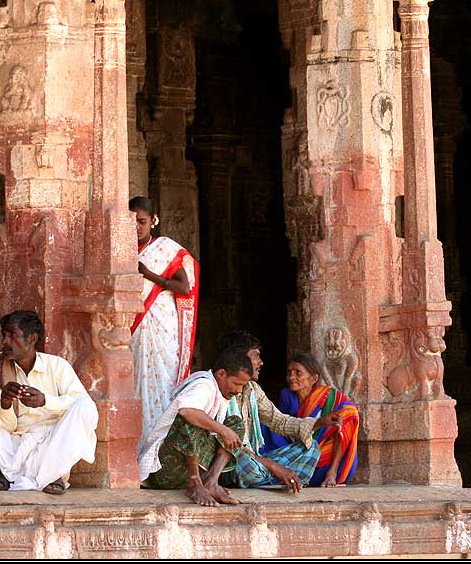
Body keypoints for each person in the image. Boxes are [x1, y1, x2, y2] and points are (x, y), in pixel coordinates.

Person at [0, 310, 98, 494]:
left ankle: (54, 475)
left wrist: (46, 401)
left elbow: (85, 408)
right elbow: (7, 428)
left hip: (51, 443)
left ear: (32, 338)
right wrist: (5, 405)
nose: (5, 341)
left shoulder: (57, 366)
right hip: (12, 447)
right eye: (4, 335)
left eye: (12, 335)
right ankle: (7, 471)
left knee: (85, 407)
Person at [214, 331, 342, 491]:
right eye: (256, 356)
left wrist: (320, 422)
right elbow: (237, 449)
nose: (260, 362)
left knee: (311, 448)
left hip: (255, 460)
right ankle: (274, 479)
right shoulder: (218, 387)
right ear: (240, 358)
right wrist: (276, 467)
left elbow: (278, 421)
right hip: (233, 462)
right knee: (249, 467)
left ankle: (269, 480)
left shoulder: (253, 390)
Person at [128, 196, 200, 454]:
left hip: (161, 323)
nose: (136, 226)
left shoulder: (166, 248)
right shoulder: (120, 248)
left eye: (142, 221)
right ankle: (137, 452)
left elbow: (184, 286)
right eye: (132, 221)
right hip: (134, 327)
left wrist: (149, 275)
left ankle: (161, 453)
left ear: (153, 221)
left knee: (162, 386)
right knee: (135, 384)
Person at [138, 350, 250, 507]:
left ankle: (210, 481)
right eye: (237, 384)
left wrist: (226, 430)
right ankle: (194, 483)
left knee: (235, 423)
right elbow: (186, 411)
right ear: (221, 374)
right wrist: (222, 430)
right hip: (165, 470)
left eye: (243, 386)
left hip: (189, 470)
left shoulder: (221, 394)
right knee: (193, 417)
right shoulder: (204, 385)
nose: (239, 391)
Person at [262, 352, 360, 487]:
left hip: (324, 461)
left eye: (298, 373)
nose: (292, 377)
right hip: (296, 449)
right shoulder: (287, 395)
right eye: (289, 372)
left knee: (347, 417)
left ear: (313, 379)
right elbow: (282, 425)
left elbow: (344, 423)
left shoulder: (329, 397)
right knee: (265, 426)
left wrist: (331, 473)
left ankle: (331, 474)